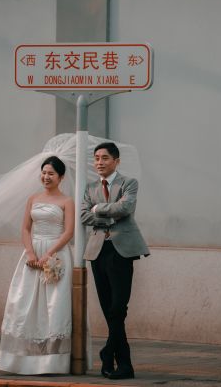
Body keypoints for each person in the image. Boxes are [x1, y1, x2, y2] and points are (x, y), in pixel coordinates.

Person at [0, 156, 75, 375]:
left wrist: (49, 254)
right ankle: (19, 360)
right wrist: (30, 252)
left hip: (56, 253)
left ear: (61, 177)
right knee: (24, 302)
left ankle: (52, 361)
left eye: (51, 173)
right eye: (44, 172)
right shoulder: (33, 198)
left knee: (54, 304)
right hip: (31, 256)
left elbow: (69, 232)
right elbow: (25, 228)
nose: (46, 177)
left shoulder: (67, 201)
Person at [81, 142, 149, 380]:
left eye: (105, 158)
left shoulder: (128, 183)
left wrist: (99, 209)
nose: (99, 162)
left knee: (118, 308)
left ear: (116, 161)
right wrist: (108, 217)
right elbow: (83, 214)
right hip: (98, 252)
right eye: (96, 158)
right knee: (109, 309)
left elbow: (126, 207)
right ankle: (123, 364)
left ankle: (110, 352)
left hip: (122, 251)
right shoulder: (89, 187)